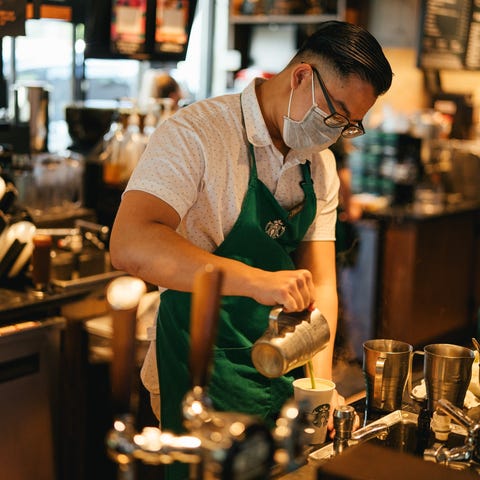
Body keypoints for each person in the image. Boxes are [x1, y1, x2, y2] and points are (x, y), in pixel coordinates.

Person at [110, 20, 392, 478]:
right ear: (301, 76)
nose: (337, 132)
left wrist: (318, 387)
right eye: (336, 113)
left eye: (350, 125)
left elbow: (320, 284)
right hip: (198, 368)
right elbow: (130, 241)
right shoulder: (197, 133)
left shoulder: (318, 164)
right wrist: (257, 282)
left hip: (280, 370)